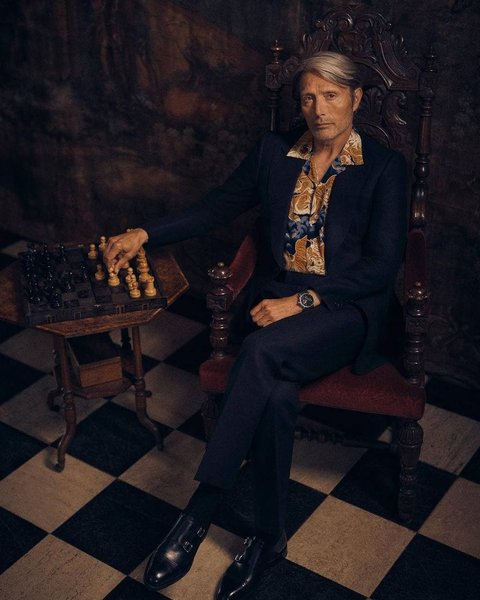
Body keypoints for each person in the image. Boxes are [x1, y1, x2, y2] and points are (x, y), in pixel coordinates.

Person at [104, 51, 407, 599]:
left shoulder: (385, 167)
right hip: (277, 304)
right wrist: (144, 233)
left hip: (344, 311)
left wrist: (304, 301)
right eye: (309, 97)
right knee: (277, 393)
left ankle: (198, 513)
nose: (319, 109)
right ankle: (269, 537)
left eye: (331, 96)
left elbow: (381, 267)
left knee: (261, 352)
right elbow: (217, 206)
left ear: (356, 99)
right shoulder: (274, 152)